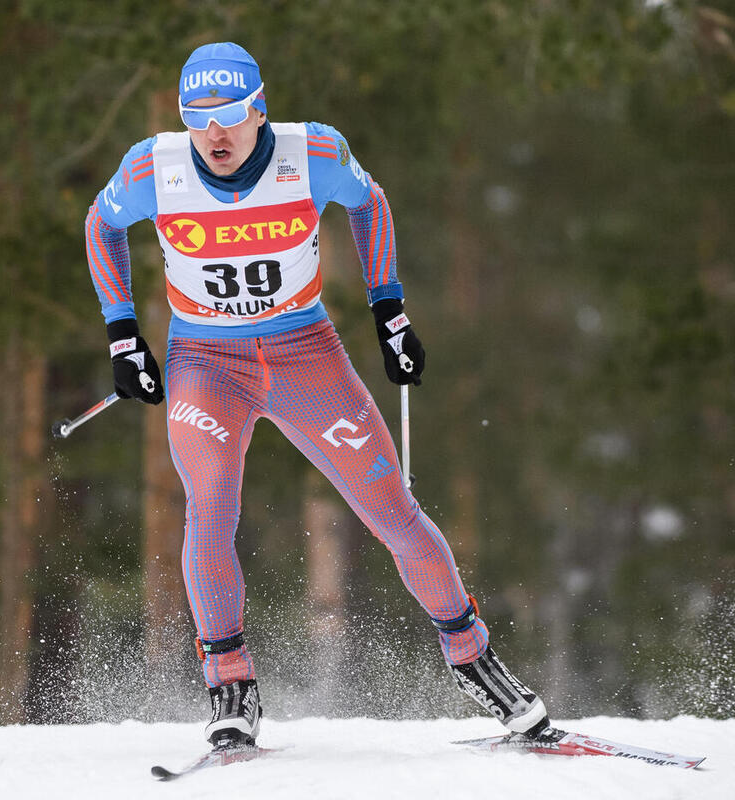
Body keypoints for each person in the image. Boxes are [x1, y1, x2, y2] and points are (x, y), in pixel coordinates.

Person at [85, 42, 552, 748]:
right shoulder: (155, 167)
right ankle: (231, 686)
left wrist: (389, 311)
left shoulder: (315, 154)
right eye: (197, 117)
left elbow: (371, 206)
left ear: (260, 107)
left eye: (231, 116)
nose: (214, 134)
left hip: (307, 356)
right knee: (209, 507)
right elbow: (102, 225)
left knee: (392, 507)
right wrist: (123, 334)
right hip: (207, 363)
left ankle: (475, 661)